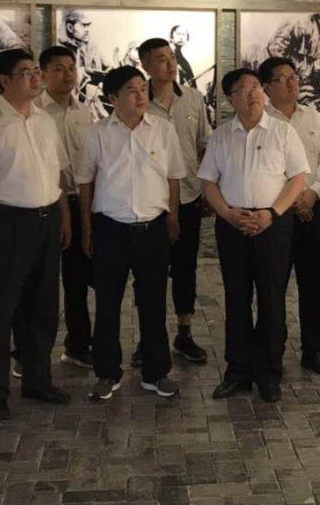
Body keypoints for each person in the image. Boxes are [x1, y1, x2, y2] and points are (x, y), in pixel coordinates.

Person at [0, 48, 72, 420]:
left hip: (46, 219)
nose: (35, 78)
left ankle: (37, 380)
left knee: (42, 305)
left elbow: (56, 174)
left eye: (36, 71)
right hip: (6, 222)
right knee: (0, 307)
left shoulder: (45, 120)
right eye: (26, 72)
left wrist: (64, 217)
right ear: (4, 80)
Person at [77, 65, 186, 401]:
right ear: (113, 98)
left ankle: (156, 372)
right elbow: (85, 183)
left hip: (152, 227)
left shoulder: (163, 130)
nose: (141, 95)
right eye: (131, 90)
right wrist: (87, 229)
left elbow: (173, 178)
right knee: (107, 303)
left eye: (142, 88)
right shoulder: (96, 134)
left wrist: (173, 218)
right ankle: (107, 372)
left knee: (153, 301)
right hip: (110, 228)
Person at [200, 69, 309, 403]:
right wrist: (227, 213)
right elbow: (208, 181)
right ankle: (238, 371)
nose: (252, 93)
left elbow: (298, 179)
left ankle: (269, 373)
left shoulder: (283, 132)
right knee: (236, 298)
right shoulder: (221, 136)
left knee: (272, 299)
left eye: (256, 87)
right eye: (243, 89)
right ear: (230, 99)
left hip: (273, 225)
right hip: (232, 225)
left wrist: (271, 213)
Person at [259, 56, 320, 378]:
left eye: (294, 76)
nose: (293, 83)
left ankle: (314, 350)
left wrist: (313, 192)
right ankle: (271, 355)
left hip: (312, 211)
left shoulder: (313, 117)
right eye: (283, 78)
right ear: (267, 87)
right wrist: (285, 202)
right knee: (272, 286)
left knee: (315, 283)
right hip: (274, 215)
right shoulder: (260, 120)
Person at [136, 37, 210, 366]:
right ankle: (147, 339)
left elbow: (205, 145)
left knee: (185, 269)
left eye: (171, 58)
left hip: (189, 196)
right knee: (147, 274)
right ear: (146, 65)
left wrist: (206, 187)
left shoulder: (193, 99)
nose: (170, 64)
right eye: (161, 59)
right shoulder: (139, 101)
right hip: (150, 202)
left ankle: (184, 333)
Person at [36, 45, 97, 370]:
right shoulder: (33, 112)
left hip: (79, 201)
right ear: (43, 74)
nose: (67, 74)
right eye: (58, 69)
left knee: (77, 280)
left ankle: (78, 344)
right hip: (44, 204)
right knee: (39, 282)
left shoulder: (83, 113)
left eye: (71, 68)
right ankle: (28, 353)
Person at [58, 10, 106, 108]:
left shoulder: (92, 47)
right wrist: (82, 71)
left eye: (88, 25)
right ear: (70, 28)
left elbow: (106, 66)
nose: (87, 30)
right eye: (84, 25)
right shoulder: (60, 51)